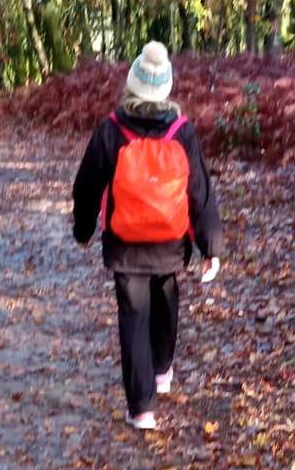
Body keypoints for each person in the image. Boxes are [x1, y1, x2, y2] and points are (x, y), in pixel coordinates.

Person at [72, 41, 223, 431]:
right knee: (166, 303)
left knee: (134, 319)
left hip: (125, 245)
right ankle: (161, 370)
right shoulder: (181, 131)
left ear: (132, 84)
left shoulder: (112, 128)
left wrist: (84, 228)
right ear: (166, 87)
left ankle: (142, 409)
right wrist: (211, 247)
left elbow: (87, 183)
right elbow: (200, 192)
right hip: (170, 243)